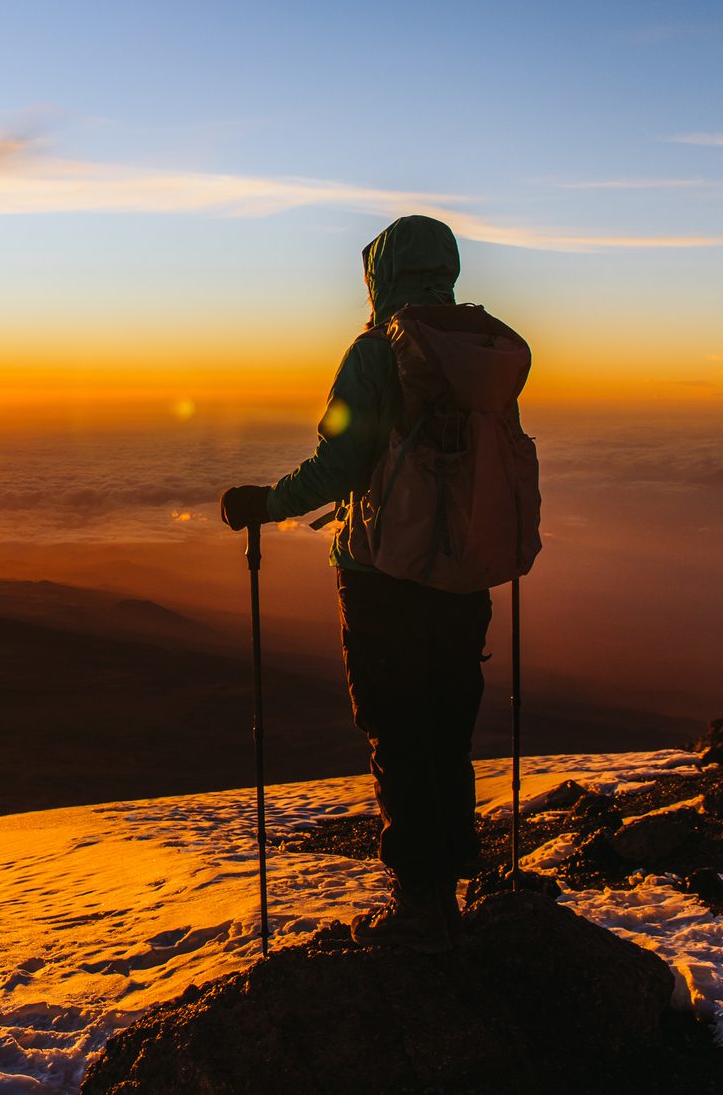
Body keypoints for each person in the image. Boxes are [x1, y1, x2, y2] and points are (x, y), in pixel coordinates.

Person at [220, 214, 491, 954]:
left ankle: (419, 903)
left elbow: (340, 464)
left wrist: (262, 504)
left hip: (382, 575)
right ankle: (450, 886)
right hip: (464, 571)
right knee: (444, 727)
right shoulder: (478, 351)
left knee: (396, 729)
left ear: (378, 275)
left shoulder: (376, 355)